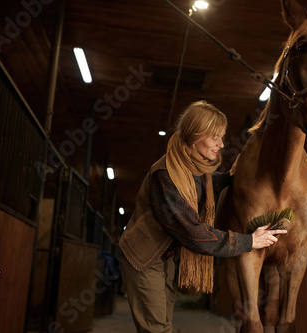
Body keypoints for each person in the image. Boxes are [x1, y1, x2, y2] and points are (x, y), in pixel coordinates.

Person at [119, 100, 288, 333]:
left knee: (162, 324)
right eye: (215, 137)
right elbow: (195, 233)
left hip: (166, 257)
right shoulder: (165, 175)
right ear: (194, 135)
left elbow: (203, 187)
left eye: (222, 136)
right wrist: (249, 241)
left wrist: (231, 177)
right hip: (144, 257)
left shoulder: (194, 168)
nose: (221, 144)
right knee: (156, 329)